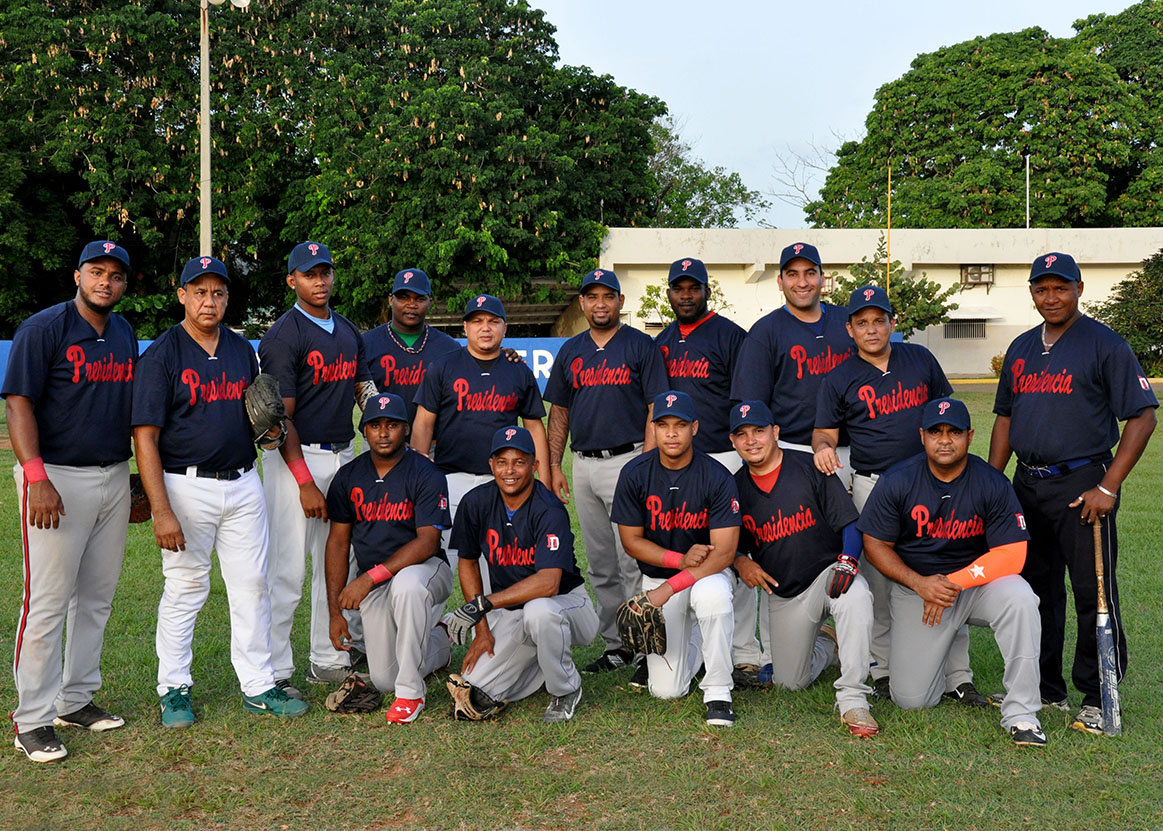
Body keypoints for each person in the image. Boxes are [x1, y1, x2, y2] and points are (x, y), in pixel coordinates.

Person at [132, 255, 308, 728]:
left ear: (227, 298)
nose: (209, 301)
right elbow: (145, 437)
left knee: (252, 587)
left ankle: (258, 684)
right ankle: (173, 688)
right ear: (182, 295)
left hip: (243, 482)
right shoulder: (162, 354)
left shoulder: (239, 349)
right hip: (185, 485)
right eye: (200, 291)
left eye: (218, 292)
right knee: (186, 588)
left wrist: (268, 434)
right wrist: (161, 511)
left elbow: (257, 420)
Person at [989, 252, 1157, 735]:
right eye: (1042, 289)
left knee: (1093, 591)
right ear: (1032, 294)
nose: (1051, 297)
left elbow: (1143, 416)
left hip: (1084, 483)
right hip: (1027, 484)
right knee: (1036, 590)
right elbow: (1004, 417)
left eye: (1060, 287)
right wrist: (995, 483)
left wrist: (1108, 485)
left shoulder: (1104, 343)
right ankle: (1046, 689)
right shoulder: (1021, 348)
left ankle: (1098, 693)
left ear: (1079, 289)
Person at [811, 285, 983, 706]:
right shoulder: (839, 376)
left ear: (893, 322)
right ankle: (883, 667)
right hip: (874, 484)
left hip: (932, 482)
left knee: (946, 566)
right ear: (849, 329)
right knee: (880, 580)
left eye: (879, 320)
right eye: (862, 322)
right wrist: (823, 448)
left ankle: (957, 675)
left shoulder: (920, 359)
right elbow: (823, 432)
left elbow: (948, 416)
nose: (872, 329)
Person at [5, 241, 136, 763]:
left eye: (116, 275)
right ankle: (31, 719)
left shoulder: (124, 332)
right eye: (97, 271)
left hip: (112, 474)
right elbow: (19, 404)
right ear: (77, 274)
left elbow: (128, 411)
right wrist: (36, 476)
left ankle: (76, 698)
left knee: (97, 598)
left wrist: (138, 483)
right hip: (55, 477)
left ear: (126, 284)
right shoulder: (44, 328)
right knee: (46, 602)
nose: (106, 281)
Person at [860, 398, 1046, 747]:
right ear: (922, 436)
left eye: (954, 432)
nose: (945, 440)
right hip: (918, 590)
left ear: (970, 436)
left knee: (1020, 597)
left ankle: (1022, 713)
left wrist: (952, 584)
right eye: (935, 431)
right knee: (912, 700)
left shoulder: (991, 482)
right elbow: (875, 544)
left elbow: (1013, 555)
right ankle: (941, 654)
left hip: (975, 585)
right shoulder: (899, 479)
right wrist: (919, 583)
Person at [259, 241, 378, 693]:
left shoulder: (347, 329)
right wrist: (305, 482)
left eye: (325, 272)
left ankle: (328, 657)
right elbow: (278, 418)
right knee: (286, 570)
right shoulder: (284, 335)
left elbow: (363, 389)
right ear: (292, 280)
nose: (320, 281)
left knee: (336, 564)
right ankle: (273, 670)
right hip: (296, 459)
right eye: (310, 274)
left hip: (341, 454)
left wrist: (377, 418)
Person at [544, 268, 668, 673]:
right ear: (582, 303)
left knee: (632, 557)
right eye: (592, 297)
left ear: (620, 302)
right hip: (583, 464)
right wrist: (552, 465)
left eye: (608, 296)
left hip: (629, 458)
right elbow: (559, 413)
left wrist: (647, 465)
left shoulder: (641, 346)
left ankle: (646, 644)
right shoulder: (571, 350)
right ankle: (618, 644)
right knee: (600, 561)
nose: (600, 304)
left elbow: (656, 409)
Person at [729, 400, 877, 737]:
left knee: (854, 595)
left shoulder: (808, 467)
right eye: (742, 434)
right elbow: (726, 542)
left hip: (829, 573)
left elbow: (850, 524)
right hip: (786, 592)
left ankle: (853, 698)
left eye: (759, 431)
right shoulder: (734, 487)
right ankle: (828, 644)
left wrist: (849, 561)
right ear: (733, 441)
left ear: (775, 432)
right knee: (790, 682)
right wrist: (741, 560)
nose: (751, 440)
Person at [653, 257, 760, 687]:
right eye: (678, 288)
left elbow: (746, 400)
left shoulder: (732, 336)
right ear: (669, 294)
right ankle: (698, 641)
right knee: (690, 546)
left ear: (706, 290)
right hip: (679, 461)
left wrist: (744, 450)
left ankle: (745, 652)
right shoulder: (660, 341)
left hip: (725, 454)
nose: (685, 294)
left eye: (693, 287)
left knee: (740, 551)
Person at [443, 426, 598, 723]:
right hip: (514, 612)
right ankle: (543, 663)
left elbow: (549, 582)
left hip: (568, 605)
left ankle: (566, 689)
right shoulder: (476, 502)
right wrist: (483, 630)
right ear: (491, 465)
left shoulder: (549, 509)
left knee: (539, 612)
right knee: (475, 687)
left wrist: (483, 605)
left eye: (519, 461)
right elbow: (468, 561)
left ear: (535, 465)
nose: (509, 470)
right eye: (502, 462)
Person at [611, 391, 741, 726]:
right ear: (652, 429)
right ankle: (695, 637)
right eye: (663, 424)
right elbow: (631, 541)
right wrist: (679, 560)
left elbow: (724, 553)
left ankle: (718, 691)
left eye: (680, 424)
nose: (671, 432)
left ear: (695, 428)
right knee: (666, 691)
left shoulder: (716, 475)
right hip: (661, 574)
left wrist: (673, 586)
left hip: (706, 574)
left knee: (713, 598)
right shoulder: (634, 473)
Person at [323, 392, 453, 724]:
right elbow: (338, 544)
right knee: (383, 679)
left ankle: (411, 693)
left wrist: (367, 579)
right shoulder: (349, 476)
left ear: (406, 429)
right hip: (378, 583)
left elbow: (427, 542)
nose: (383, 432)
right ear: (363, 430)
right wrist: (335, 612)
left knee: (407, 586)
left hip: (425, 571)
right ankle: (441, 639)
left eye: (392, 425)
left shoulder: (425, 472)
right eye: (375, 425)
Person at [412, 294, 549, 582]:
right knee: (438, 567)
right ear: (465, 328)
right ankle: (430, 626)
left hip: (500, 483)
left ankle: (491, 627)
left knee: (496, 567)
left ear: (505, 328)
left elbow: (535, 428)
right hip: (450, 479)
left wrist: (544, 482)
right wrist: (419, 478)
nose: (485, 328)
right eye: (477, 321)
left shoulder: (518, 370)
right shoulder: (444, 366)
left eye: (492, 321)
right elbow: (424, 424)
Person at [732, 242, 854, 457]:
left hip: (857, 445)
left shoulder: (848, 321)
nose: (802, 282)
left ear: (822, 278)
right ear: (780, 281)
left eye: (810, 273)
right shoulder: (764, 332)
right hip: (793, 447)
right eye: (792, 274)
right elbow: (751, 402)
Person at [362, 268, 458, 429]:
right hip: (379, 442)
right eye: (404, 297)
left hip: (433, 444)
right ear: (391, 300)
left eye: (419, 299)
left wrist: (503, 355)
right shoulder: (366, 343)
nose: (411, 305)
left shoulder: (448, 347)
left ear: (430, 303)